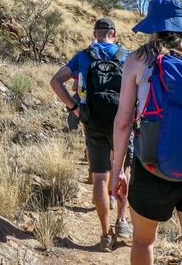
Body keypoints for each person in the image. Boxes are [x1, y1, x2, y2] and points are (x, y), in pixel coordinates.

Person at [111, 0, 182, 265]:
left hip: (151, 170)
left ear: (153, 26)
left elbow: (124, 121)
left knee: (142, 241)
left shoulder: (139, 60)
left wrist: (118, 171)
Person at [50, 17, 133, 251]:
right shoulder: (128, 56)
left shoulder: (83, 56)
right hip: (123, 123)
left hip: (93, 121)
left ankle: (105, 234)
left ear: (95, 33)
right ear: (114, 34)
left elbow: (55, 81)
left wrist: (74, 109)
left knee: (100, 178)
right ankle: (121, 221)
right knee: (123, 173)